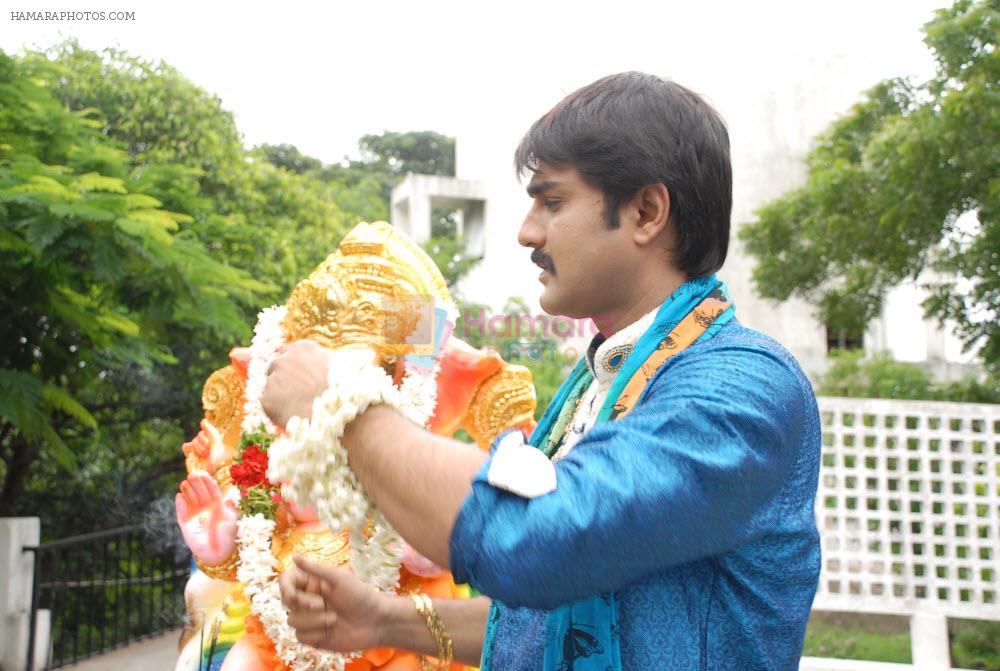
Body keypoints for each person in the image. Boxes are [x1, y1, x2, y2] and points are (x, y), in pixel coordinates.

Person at [262, 71, 821, 671]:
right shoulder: (603, 377)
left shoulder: (745, 386)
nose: (528, 231)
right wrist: (385, 619)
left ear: (646, 211)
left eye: (552, 202)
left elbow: (544, 542)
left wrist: (340, 404)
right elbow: (552, 613)